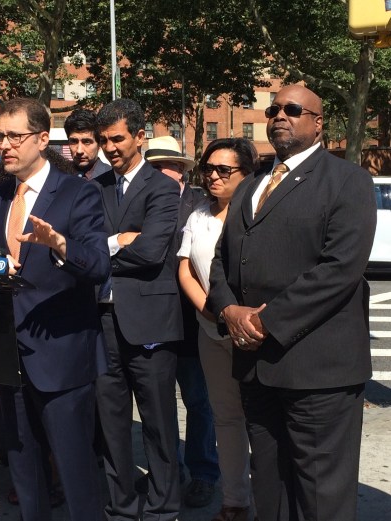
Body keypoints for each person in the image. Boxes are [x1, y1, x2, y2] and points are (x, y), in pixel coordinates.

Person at [207, 84, 376, 521]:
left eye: (293, 109)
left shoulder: (348, 181)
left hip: (317, 371)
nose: (280, 114)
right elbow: (221, 261)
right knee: (270, 489)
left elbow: (339, 268)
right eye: (274, 108)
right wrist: (229, 311)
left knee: (320, 497)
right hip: (256, 370)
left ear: (318, 123)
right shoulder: (249, 186)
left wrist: (265, 322)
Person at [0, 97, 110, 521]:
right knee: (24, 473)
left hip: (63, 355)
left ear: (41, 139)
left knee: (75, 473)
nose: (4, 145)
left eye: (14, 136)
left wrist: (60, 247)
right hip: (10, 357)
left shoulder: (78, 192)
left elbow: (97, 265)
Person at [93, 99, 182, 521]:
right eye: (103, 140)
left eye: (117, 138)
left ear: (139, 137)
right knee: (112, 426)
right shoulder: (96, 187)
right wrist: (116, 241)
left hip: (150, 324)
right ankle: (121, 508)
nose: (109, 147)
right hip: (103, 322)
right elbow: (85, 248)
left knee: (159, 426)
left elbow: (149, 252)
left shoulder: (163, 187)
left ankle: (164, 509)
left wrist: (106, 247)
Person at [177, 138, 259, 521]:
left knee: (264, 422)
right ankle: (235, 502)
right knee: (225, 419)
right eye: (207, 169)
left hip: (258, 336)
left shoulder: (261, 215)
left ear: (247, 174)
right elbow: (186, 270)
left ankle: (272, 498)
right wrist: (213, 315)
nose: (212, 176)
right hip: (210, 333)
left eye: (223, 170)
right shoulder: (198, 215)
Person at [145, 135, 220, 508]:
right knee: (157, 406)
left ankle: (204, 473)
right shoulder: (137, 203)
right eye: (154, 165)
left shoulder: (201, 206)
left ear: (182, 170)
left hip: (192, 324)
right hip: (152, 324)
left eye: (168, 165)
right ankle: (166, 474)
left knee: (198, 402)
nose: (161, 172)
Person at [64, 108, 110, 179]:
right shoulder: (58, 176)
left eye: (87, 142)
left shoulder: (113, 178)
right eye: (74, 141)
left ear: (99, 144)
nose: (79, 151)